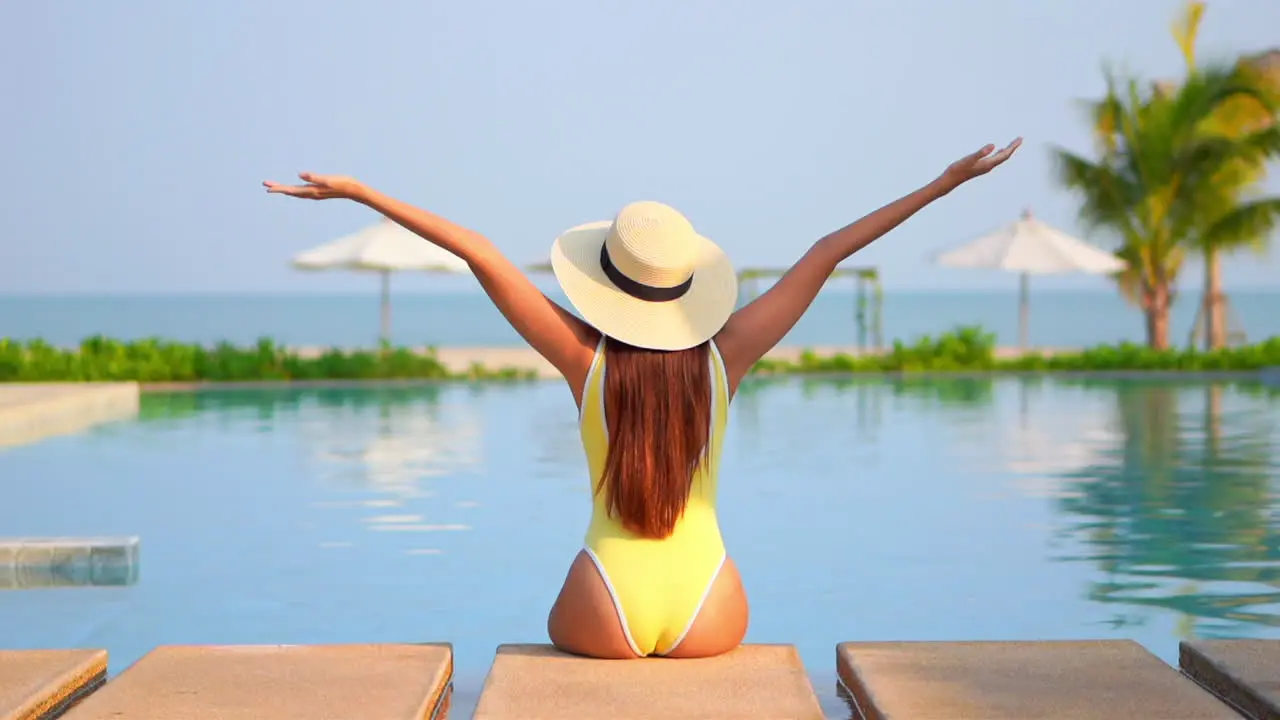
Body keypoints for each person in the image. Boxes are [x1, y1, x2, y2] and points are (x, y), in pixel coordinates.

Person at [264, 137, 1022, 659]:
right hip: (712, 604)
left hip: (606, 603)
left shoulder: (582, 361)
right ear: (688, 288)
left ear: (604, 284)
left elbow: (478, 251)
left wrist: (363, 193)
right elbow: (826, 253)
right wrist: (943, 184)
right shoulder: (727, 359)